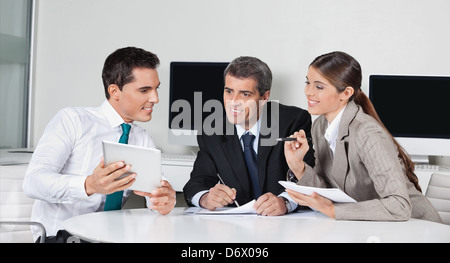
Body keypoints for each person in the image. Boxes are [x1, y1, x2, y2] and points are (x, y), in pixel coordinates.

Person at [23, 47, 176, 242]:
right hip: (62, 237)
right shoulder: (73, 120)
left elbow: (155, 192)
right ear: (115, 91)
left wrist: (163, 199)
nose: (155, 99)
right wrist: (89, 185)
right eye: (144, 90)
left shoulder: (142, 138)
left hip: (109, 237)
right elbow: (33, 182)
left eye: (156, 89)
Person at [284, 51, 442, 223]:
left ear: (345, 93)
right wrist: (297, 165)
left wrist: (331, 209)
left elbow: (399, 206)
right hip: (373, 228)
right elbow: (327, 190)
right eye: (308, 82)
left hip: (417, 227)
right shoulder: (319, 126)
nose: (309, 92)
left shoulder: (366, 132)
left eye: (319, 86)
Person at [183, 56, 315, 216]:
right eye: (229, 91)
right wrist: (205, 198)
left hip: (284, 225)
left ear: (264, 97)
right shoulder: (212, 130)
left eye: (245, 94)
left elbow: (308, 178)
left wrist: (286, 202)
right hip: (236, 228)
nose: (233, 102)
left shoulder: (292, 121)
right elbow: (196, 183)